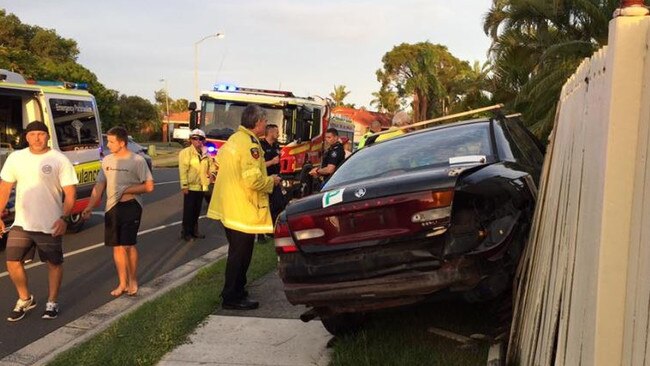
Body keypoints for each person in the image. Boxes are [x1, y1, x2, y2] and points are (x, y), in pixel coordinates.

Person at [0, 121, 78, 321]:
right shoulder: (16, 158)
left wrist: (64, 218)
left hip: (50, 223)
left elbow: (70, 194)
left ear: (47, 136)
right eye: (32, 134)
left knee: (53, 263)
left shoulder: (59, 159)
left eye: (41, 134)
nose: (37, 138)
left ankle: (52, 302)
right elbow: (5, 188)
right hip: (22, 222)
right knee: (12, 261)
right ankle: (25, 298)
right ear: (26, 137)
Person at [207, 104, 281, 310]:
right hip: (241, 209)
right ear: (257, 122)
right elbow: (253, 181)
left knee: (237, 253)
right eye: (265, 121)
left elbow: (219, 161)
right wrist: (272, 181)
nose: (266, 124)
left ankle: (236, 290)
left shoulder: (233, 139)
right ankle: (232, 296)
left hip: (229, 206)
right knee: (241, 255)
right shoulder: (250, 145)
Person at [82, 126, 154, 297]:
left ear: (122, 143)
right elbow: (99, 185)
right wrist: (89, 206)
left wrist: (128, 190)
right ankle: (122, 283)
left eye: (111, 141)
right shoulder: (107, 160)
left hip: (131, 206)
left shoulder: (137, 160)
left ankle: (133, 280)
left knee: (128, 245)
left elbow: (149, 186)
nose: (108, 144)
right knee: (117, 247)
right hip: (112, 208)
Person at [178, 129, 211, 241]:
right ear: (190, 140)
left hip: (201, 186)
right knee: (189, 211)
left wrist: (212, 174)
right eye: (195, 138)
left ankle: (194, 231)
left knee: (196, 210)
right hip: (190, 187)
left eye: (200, 138)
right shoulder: (186, 153)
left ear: (204, 140)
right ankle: (186, 233)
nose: (197, 141)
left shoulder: (206, 152)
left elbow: (212, 165)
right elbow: (183, 170)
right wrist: (184, 185)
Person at [260, 124, 284, 228]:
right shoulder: (261, 146)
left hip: (276, 179)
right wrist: (272, 162)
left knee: (279, 203)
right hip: (265, 180)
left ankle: (273, 228)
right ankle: (262, 232)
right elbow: (259, 166)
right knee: (264, 206)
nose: (278, 134)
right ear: (270, 133)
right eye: (276, 132)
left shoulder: (276, 145)